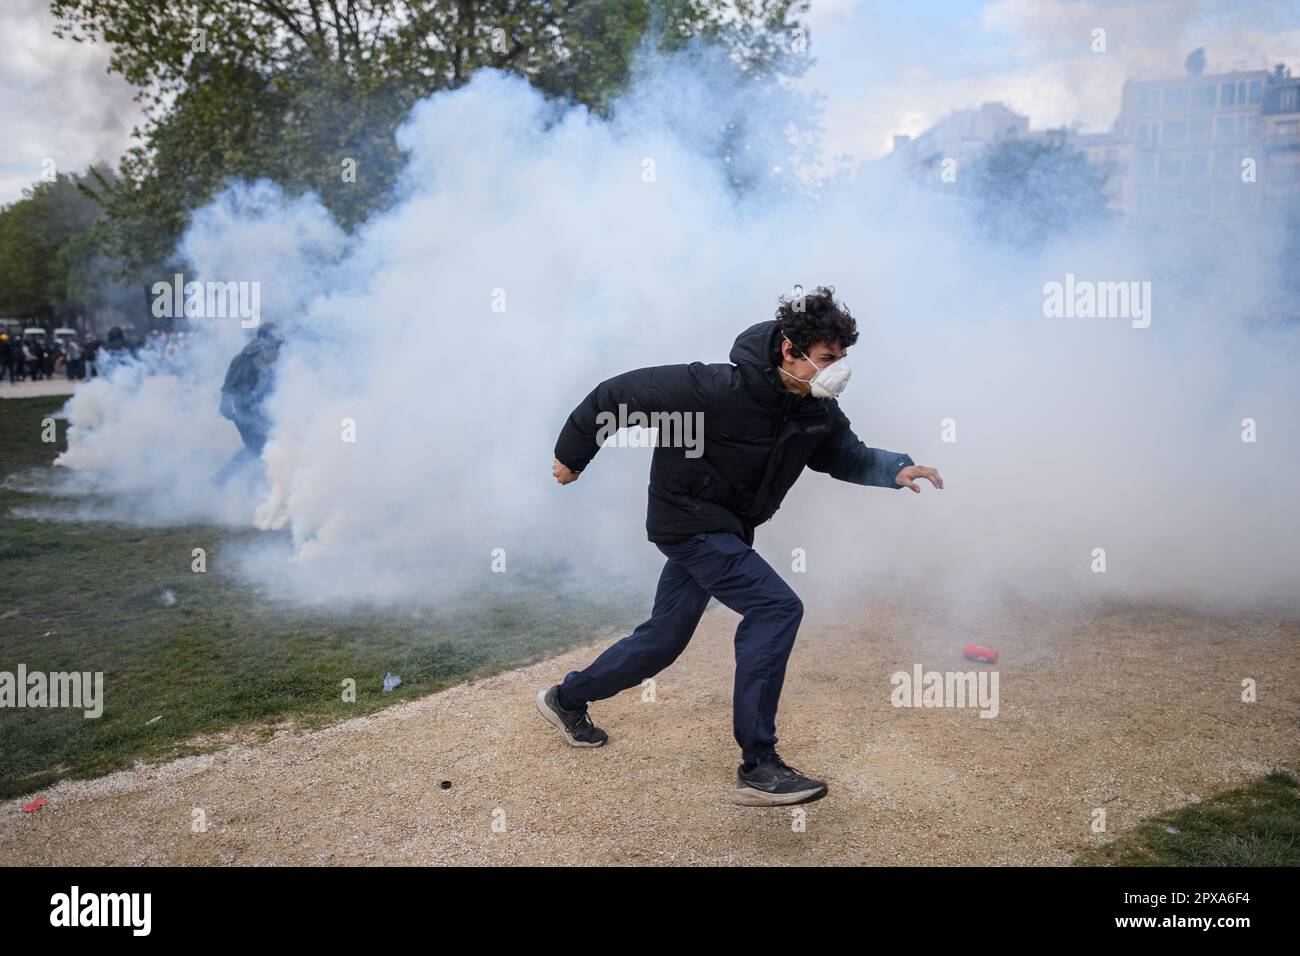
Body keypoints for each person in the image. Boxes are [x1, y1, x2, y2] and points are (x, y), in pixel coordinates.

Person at [538, 287, 943, 807]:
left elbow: (843, 454)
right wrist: (573, 456)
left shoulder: (814, 407)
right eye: (826, 359)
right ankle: (758, 765)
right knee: (776, 608)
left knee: (664, 638)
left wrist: (894, 469)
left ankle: (566, 698)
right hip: (686, 521)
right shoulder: (712, 388)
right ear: (788, 351)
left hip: (727, 529)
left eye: (841, 359)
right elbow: (615, 395)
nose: (836, 371)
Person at [214, 323, 283, 483]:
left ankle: (222, 480)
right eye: (274, 345)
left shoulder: (270, 360)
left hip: (260, 412)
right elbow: (227, 387)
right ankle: (229, 481)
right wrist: (228, 408)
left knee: (255, 449)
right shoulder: (244, 360)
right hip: (243, 413)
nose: (277, 350)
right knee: (260, 449)